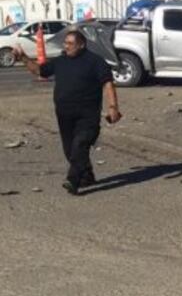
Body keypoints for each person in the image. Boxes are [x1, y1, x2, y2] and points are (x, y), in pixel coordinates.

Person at [11, 31, 122, 194]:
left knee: (80, 144)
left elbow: (108, 83)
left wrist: (113, 107)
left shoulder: (95, 61)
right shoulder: (61, 61)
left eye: (70, 43)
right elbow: (39, 71)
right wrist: (23, 57)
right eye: (65, 43)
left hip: (88, 114)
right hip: (64, 114)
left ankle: (73, 180)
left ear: (81, 45)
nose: (66, 46)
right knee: (70, 150)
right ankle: (86, 176)